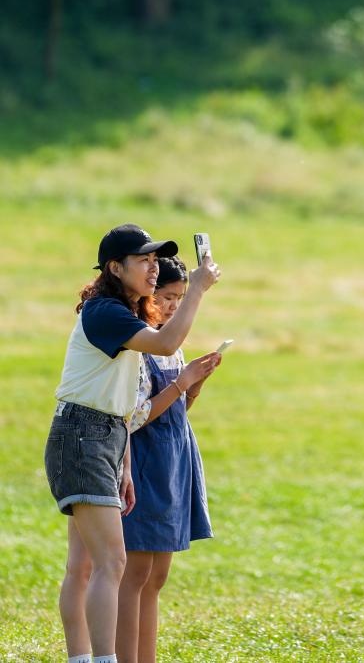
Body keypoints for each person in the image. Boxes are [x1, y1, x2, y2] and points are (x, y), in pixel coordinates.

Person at [45, 224, 219, 663]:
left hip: (105, 436)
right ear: (115, 267)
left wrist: (123, 464)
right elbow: (167, 342)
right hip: (83, 433)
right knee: (111, 563)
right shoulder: (105, 312)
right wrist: (197, 288)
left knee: (91, 565)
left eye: (155, 259)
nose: (153, 268)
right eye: (143, 260)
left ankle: (85, 659)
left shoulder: (123, 313)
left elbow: (123, 400)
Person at [116, 256, 221, 663]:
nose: (174, 305)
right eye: (167, 296)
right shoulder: (140, 347)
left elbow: (175, 411)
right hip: (143, 466)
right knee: (136, 574)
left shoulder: (170, 346)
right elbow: (137, 417)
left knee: (157, 577)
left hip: (174, 463)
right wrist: (182, 384)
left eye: (180, 297)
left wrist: (193, 387)